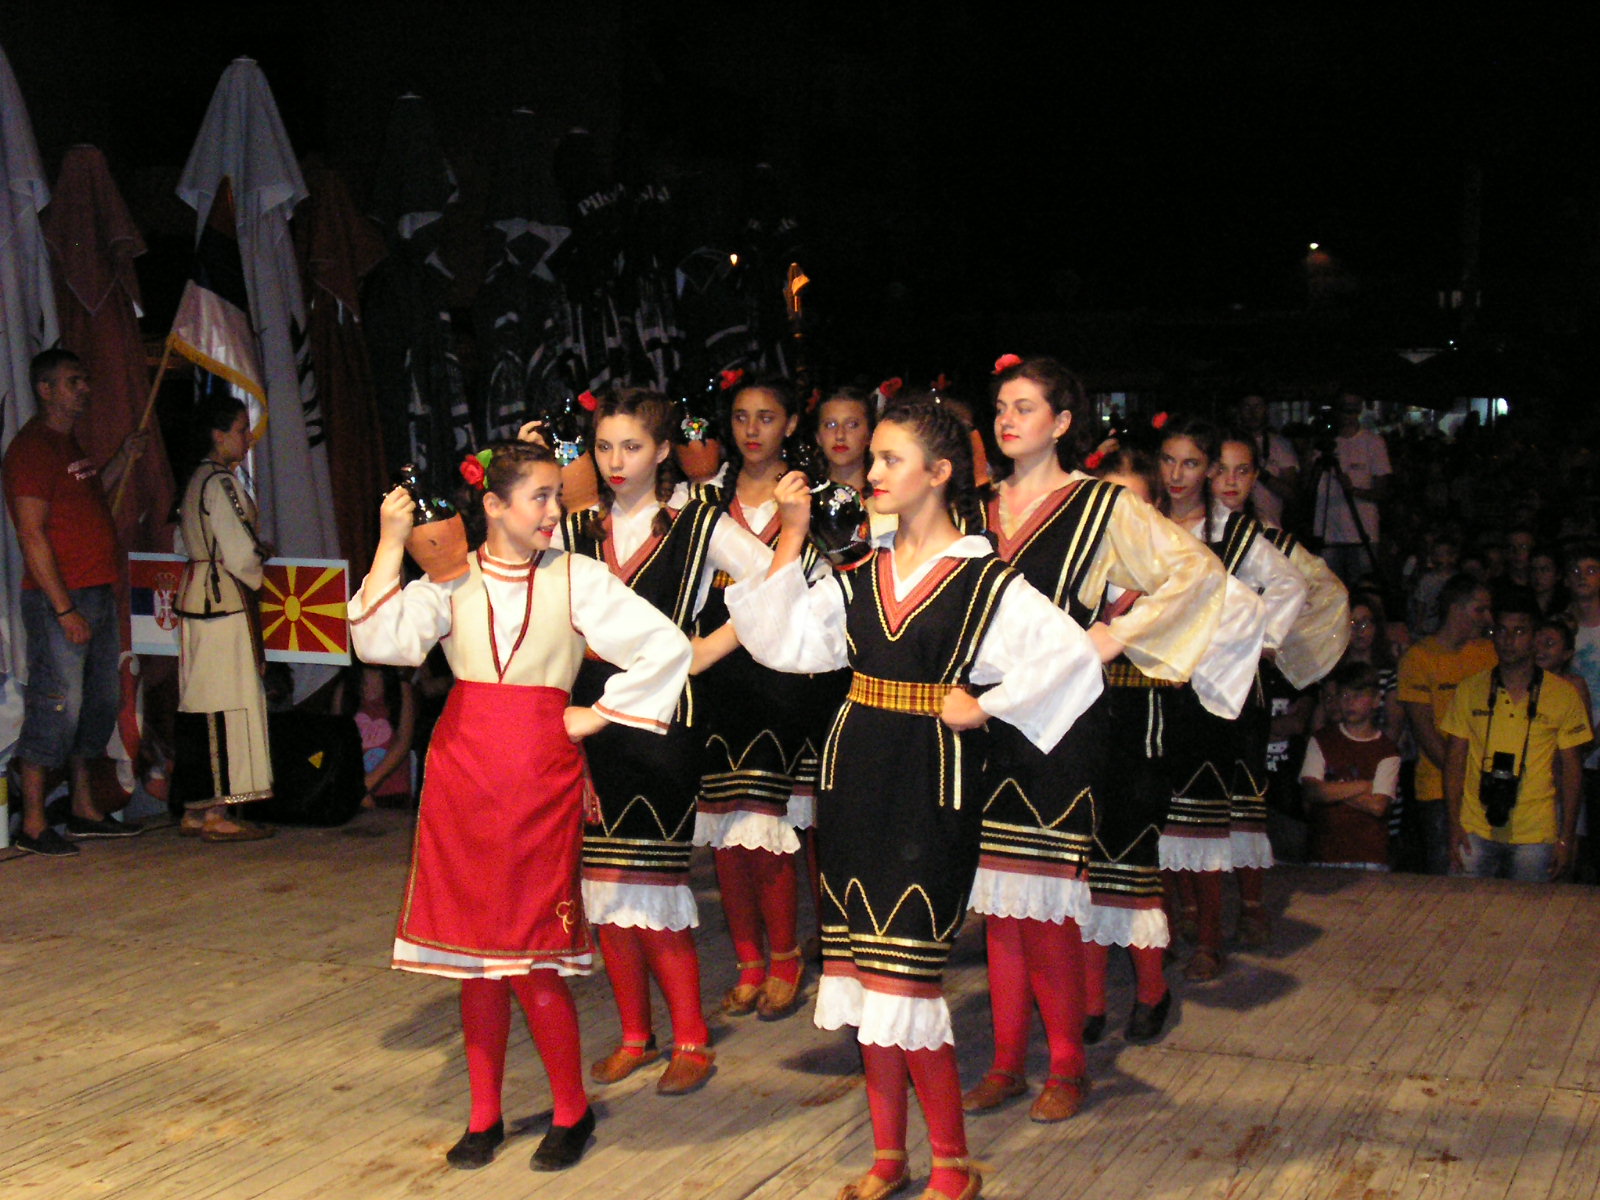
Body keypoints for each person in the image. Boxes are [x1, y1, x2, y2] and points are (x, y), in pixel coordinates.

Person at [725, 396, 1104, 1200]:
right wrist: (791, 534)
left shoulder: (982, 580)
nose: (873, 471)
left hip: (931, 785)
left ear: (938, 473)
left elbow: (1073, 658)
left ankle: (953, 1164)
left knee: (905, 980)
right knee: (866, 980)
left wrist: (986, 705)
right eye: (875, 458)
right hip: (853, 775)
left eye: (891, 459)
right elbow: (782, 642)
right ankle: (888, 1158)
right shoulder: (861, 571)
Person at [348, 440, 691, 1172]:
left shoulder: (576, 577)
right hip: (463, 773)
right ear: (493, 506)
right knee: (474, 960)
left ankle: (570, 1110)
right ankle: (484, 1116)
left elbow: (666, 646)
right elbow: (378, 640)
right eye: (538, 496)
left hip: (539, 775)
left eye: (555, 495)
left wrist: (598, 715)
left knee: (532, 955)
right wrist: (388, 542)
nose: (552, 510)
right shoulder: (450, 578)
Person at [967, 359, 1233, 1109]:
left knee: (1048, 900)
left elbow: (1195, 573)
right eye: (1001, 407)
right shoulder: (975, 506)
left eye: (1025, 407)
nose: (1007, 419)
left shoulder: (1100, 505)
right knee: (1001, 903)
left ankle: (1066, 1066)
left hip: (1060, 718)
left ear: (1061, 423)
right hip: (986, 716)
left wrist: (1114, 638)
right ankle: (1005, 1064)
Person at [557, 388, 772, 1095]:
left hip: (663, 715)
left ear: (661, 451)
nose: (616, 461)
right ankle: (634, 1036)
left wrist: (706, 649)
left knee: (651, 879)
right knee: (604, 884)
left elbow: (779, 581)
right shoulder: (574, 530)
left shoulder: (698, 522)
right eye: (604, 447)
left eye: (632, 446)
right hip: (588, 709)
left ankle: (692, 1039)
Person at [690, 376, 818, 1022]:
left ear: (790, 424)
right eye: (741, 417)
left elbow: (808, 592)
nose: (752, 430)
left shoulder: (807, 498)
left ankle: (786, 957)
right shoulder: (703, 500)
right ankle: (747, 960)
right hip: (716, 679)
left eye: (766, 417)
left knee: (766, 826)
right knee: (724, 828)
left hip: (780, 679)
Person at [1156, 417, 1301, 980]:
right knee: (1162, 816)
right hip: (1156, 689)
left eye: (1191, 463)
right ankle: (1172, 924)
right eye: (1169, 461)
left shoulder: (1235, 533)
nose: (1177, 474)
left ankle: (1214, 935)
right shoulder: (1146, 522)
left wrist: (1256, 644)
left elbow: (1289, 583)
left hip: (1216, 693)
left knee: (1209, 815)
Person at [1, 349, 146, 856]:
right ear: (45, 390)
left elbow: (90, 497)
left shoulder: (67, 445)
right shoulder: (31, 450)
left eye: (84, 379)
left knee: (97, 705)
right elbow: (31, 534)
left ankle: (84, 809)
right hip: (62, 598)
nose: (84, 388)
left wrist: (123, 459)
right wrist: (64, 609)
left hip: (97, 590)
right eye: (73, 381)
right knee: (57, 705)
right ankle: (34, 822)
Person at [1212, 431, 1348, 942]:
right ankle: (1193, 914)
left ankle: (1251, 907)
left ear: (1255, 478)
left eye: (1242, 471)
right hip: (1185, 680)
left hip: (1244, 682)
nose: (1230, 481)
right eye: (1220, 469)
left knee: (1246, 795)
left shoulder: (1263, 536)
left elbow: (1323, 589)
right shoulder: (1181, 527)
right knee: (1186, 800)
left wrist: (1269, 642)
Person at [171, 395, 275, 841]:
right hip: (222, 600)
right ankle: (217, 810)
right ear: (218, 435)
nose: (247, 437)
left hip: (198, 595)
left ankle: (196, 808)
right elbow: (238, 551)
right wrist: (259, 561)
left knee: (199, 699)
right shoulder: (220, 482)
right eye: (240, 429)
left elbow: (183, 542)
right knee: (226, 700)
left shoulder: (197, 479)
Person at [1442, 587, 1590, 881]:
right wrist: (1453, 824)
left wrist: (1566, 837)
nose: (1509, 640)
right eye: (1502, 630)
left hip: (1536, 832)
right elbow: (1454, 760)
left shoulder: (1563, 694)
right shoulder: (1470, 689)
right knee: (1464, 907)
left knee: (1531, 910)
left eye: (1520, 631)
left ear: (1535, 637)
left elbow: (1572, 770)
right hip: (1475, 827)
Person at [1397, 574, 1497, 875]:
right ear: (1455, 609)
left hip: (1489, 787)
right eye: (1480, 609)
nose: (1488, 618)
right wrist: (1464, 777)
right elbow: (1424, 731)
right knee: (1450, 876)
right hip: (1439, 788)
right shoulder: (1419, 658)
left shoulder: (1488, 653)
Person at [1300, 661, 1401, 870]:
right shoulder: (1321, 740)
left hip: (1369, 856)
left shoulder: (1387, 750)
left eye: (1358, 695)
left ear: (1376, 700)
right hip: (1324, 854)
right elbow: (1312, 791)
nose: (1349, 702)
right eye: (1344, 695)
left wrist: (1332, 787)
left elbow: (1378, 806)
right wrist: (1364, 786)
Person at [1309, 391, 1391, 585]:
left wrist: (1353, 490)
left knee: (1364, 588)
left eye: (1353, 408)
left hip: (1362, 534)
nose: (1348, 413)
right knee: (1329, 593)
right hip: (1328, 534)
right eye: (1344, 407)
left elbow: (1383, 491)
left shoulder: (1373, 442)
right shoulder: (1323, 444)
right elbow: (1309, 485)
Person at [1566, 545, 1600, 881]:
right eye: (1576, 571)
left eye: (1591, 570)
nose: (1582, 578)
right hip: (1569, 749)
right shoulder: (1559, 625)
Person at [1231, 392, 1299, 528]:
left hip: (1270, 527)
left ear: (1266, 409)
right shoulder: (1228, 443)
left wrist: (1259, 473)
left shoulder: (1280, 444)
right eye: (1247, 407)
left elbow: (1291, 493)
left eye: (1258, 406)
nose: (1253, 413)